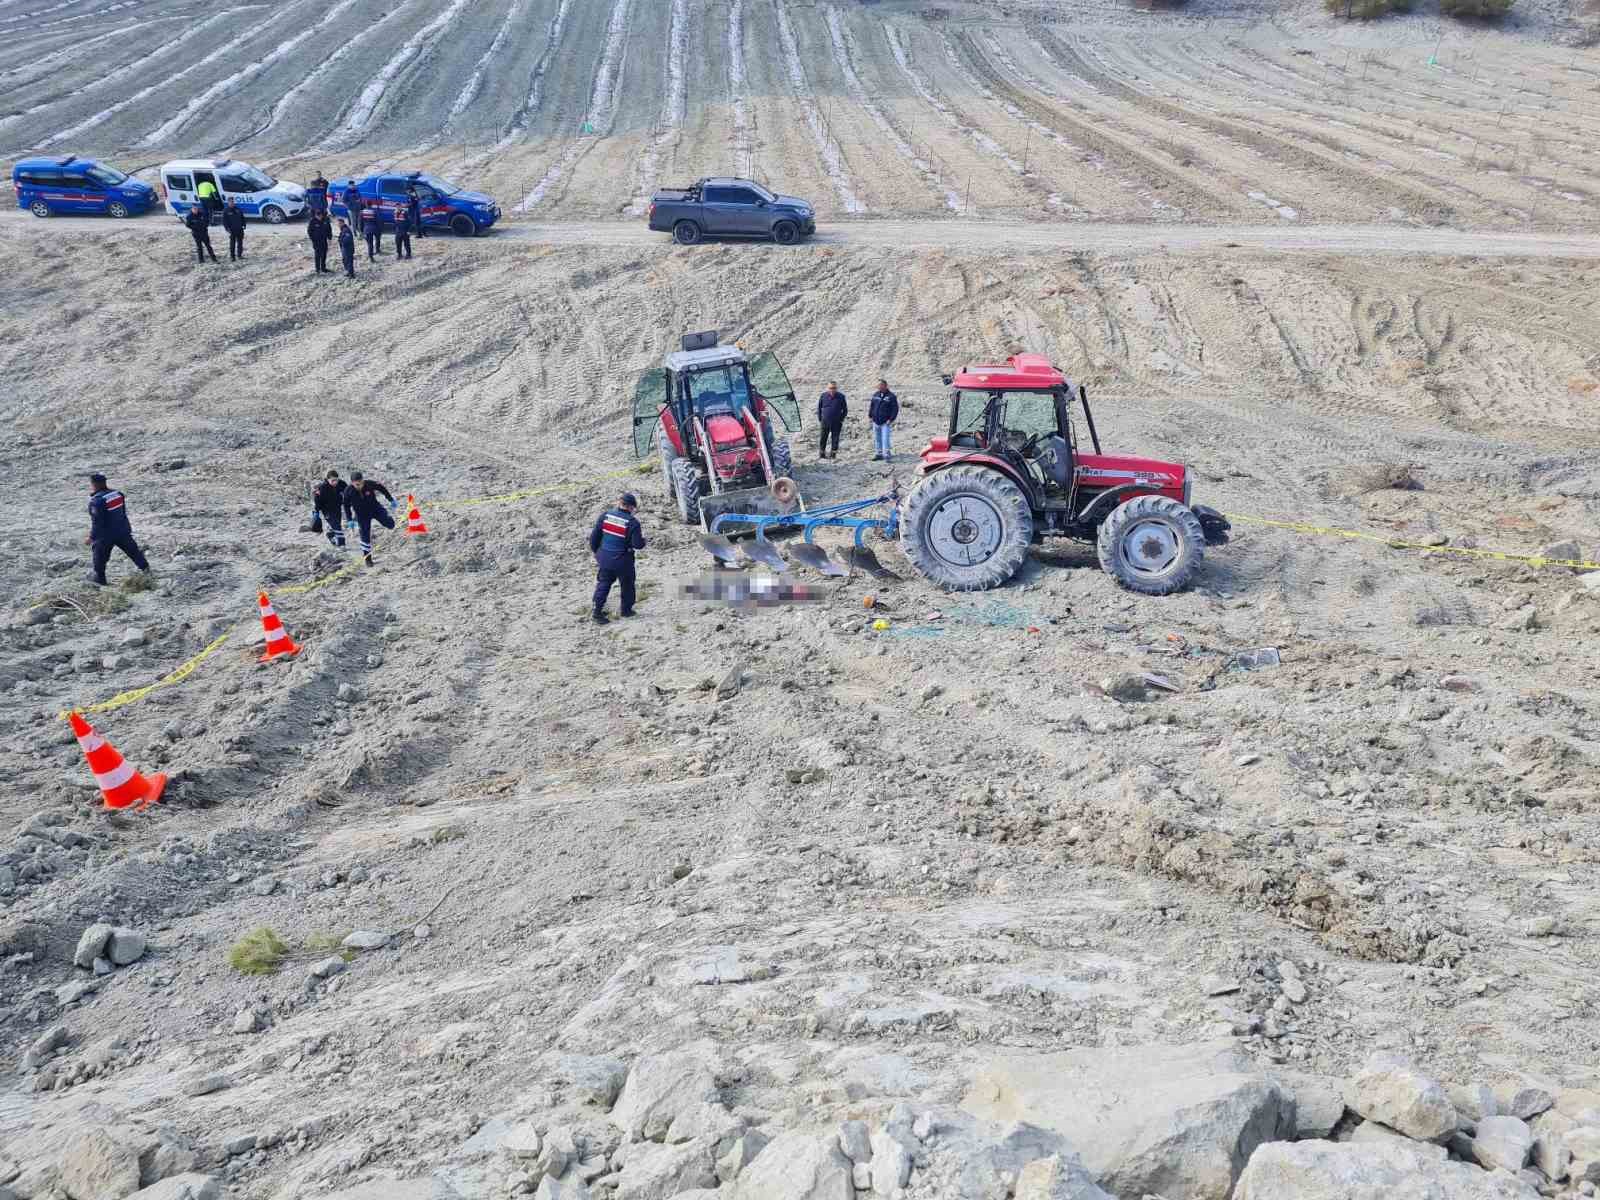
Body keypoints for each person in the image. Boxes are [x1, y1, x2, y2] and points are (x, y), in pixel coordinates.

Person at [588, 493, 644, 625]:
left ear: (619, 503)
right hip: (623, 560)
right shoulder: (632, 523)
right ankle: (626, 610)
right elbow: (638, 545)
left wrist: (599, 553)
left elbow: (594, 538)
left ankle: (597, 612)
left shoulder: (605, 516)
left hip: (605, 557)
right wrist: (644, 541)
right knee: (627, 584)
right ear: (631, 507)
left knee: (603, 583)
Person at [85, 473, 151, 586]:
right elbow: (122, 512)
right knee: (134, 552)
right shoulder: (118, 494)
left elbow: (97, 523)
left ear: (94, 484)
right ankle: (146, 570)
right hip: (122, 530)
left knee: (99, 558)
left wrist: (91, 537)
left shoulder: (96, 501)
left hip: (105, 536)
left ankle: (100, 580)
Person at [345, 470, 396, 565]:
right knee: (365, 537)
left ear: (363, 480)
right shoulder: (348, 491)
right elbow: (346, 506)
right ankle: (368, 559)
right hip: (361, 515)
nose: (360, 486)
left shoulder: (369, 484)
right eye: (357, 484)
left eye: (361, 483)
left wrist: (390, 499)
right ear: (352, 483)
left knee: (390, 524)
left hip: (375, 509)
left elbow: (381, 488)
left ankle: (391, 522)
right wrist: (349, 520)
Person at [311, 470, 348, 549]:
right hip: (326, 510)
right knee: (337, 526)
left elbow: (349, 492)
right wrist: (316, 512)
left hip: (337, 508)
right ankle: (342, 544)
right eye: (333, 481)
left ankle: (330, 535)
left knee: (336, 524)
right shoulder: (322, 488)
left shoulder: (342, 484)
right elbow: (317, 500)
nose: (335, 482)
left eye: (336, 480)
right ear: (327, 480)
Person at [868, 378, 899, 463]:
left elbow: (895, 409)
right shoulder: (876, 394)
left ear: (885, 386)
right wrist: (870, 416)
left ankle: (887, 455)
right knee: (877, 439)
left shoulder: (891, 396)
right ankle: (879, 454)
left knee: (885, 439)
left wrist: (891, 419)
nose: (879, 386)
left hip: (885, 422)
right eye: (878, 385)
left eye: (881, 385)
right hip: (875, 421)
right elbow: (872, 406)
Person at [817, 381, 848, 459]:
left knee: (835, 438)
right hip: (825, 421)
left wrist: (841, 419)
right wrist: (820, 418)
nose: (832, 390)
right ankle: (822, 453)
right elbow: (819, 408)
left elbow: (845, 410)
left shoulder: (841, 396)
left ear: (836, 388)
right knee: (823, 437)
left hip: (836, 422)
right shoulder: (823, 396)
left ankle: (833, 454)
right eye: (830, 388)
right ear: (828, 388)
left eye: (834, 388)